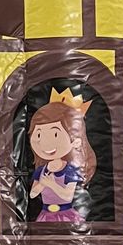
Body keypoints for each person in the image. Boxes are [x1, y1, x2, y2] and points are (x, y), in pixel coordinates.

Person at [27, 89, 97, 224]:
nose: (46, 144)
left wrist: (51, 184)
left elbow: (68, 195)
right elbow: (32, 194)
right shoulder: (41, 170)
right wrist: (42, 184)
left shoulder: (70, 170)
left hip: (66, 215)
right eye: (39, 135)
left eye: (55, 135)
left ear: (75, 141)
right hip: (46, 215)